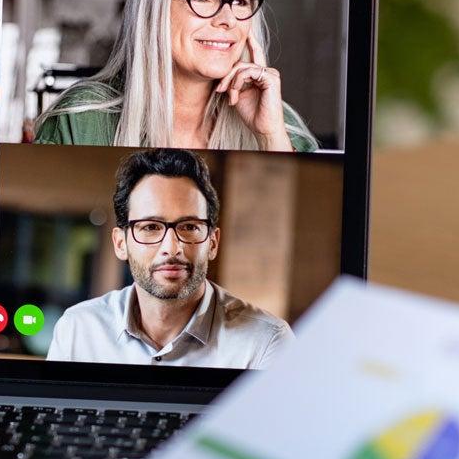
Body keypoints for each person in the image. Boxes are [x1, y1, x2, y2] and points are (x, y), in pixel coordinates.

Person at [33, 0, 319, 152]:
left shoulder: (281, 124)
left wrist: (271, 138)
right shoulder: (81, 119)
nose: (228, 19)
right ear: (152, 9)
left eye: (241, 1)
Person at [46, 149, 293, 369]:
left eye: (189, 227)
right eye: (151, 227)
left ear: (213, 243)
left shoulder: (266, 342)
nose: (171, 248)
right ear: (120, 244)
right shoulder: (77, 329)